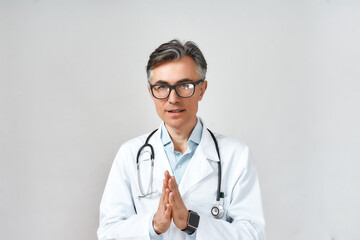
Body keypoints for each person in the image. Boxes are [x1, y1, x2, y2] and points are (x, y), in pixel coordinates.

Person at [97, 40, 266, 240]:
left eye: (184, 85)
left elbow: (253, 235)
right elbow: (108, 233)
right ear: (151, 92)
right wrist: (153, 226)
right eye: (161, 87)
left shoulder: (235, 155)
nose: (173, 98)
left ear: (202, 89)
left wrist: (190, 222)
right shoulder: (130, 154)